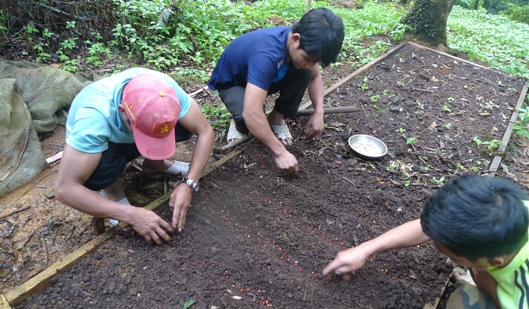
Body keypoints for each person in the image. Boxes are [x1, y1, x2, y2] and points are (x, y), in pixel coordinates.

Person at [55, 67, 215, 245]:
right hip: (106, 146)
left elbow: (205, 131)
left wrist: (189, 184)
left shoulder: (164, 91)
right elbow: (65, 189)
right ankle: (112, 191)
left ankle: (156, 165)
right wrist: (130, 214)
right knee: (99, 171)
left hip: (130, 133)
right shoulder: (93, 119)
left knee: (185, 125)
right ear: (123, 110)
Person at [322, 175, 529, 309]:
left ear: (494, 262)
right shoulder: (509, 207)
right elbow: (430, 227)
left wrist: (487, 284)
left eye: (451, 255)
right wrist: (366, 248)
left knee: (462, 303)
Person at [208, 7, 344, 175]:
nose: (310, 65)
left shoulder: (300, 47)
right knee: (246, 119)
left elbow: (315, 77)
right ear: (295, 39)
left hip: (263, 78)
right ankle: (237, 122)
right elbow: (252, 113)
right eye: (308, 59)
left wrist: (319, 113)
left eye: (315, 61)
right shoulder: (266, 55)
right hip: (234, 82)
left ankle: (276, 117)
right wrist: (280, 152)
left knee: (305, 73)